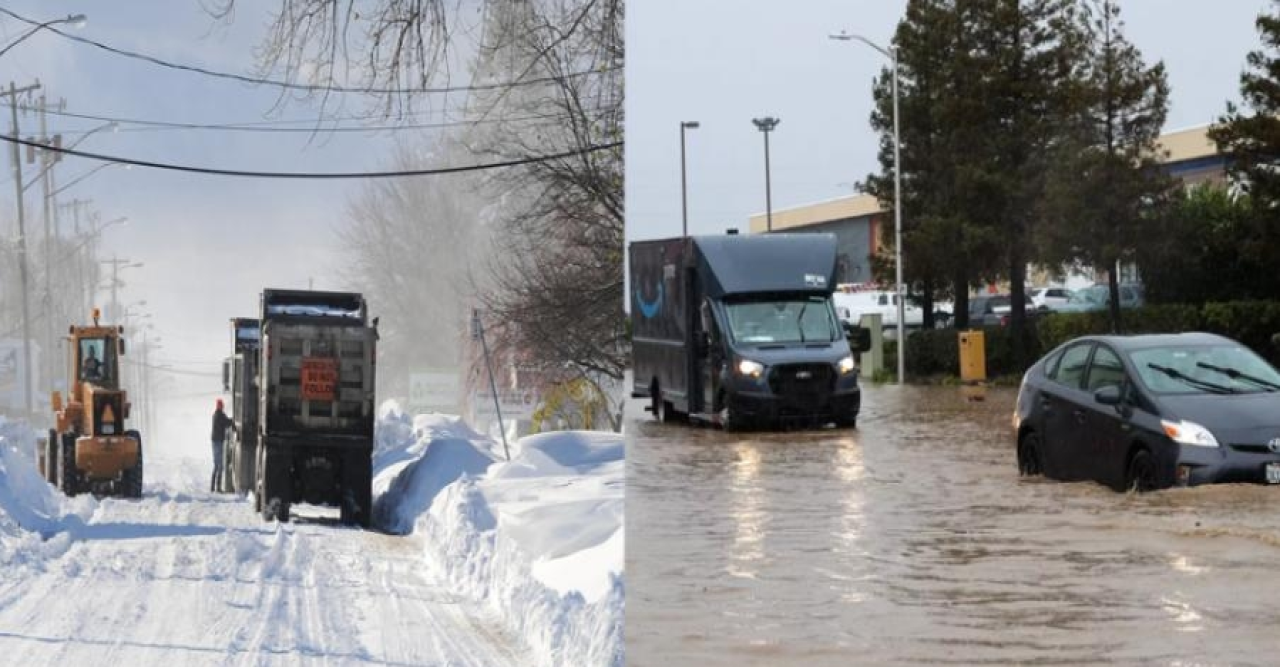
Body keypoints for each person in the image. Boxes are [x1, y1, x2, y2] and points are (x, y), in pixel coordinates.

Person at [211, 399, 236, 492]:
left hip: (215, 442)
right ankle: (217, 487)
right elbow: (227, 422)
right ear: (219, 406)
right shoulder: (219, 416)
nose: (222, 407)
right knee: (220, 465)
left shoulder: (215, 415)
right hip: (218, 442)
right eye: (221, 405)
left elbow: (226, 421)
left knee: (216, 465)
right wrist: (234, 420)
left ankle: (213, 487)